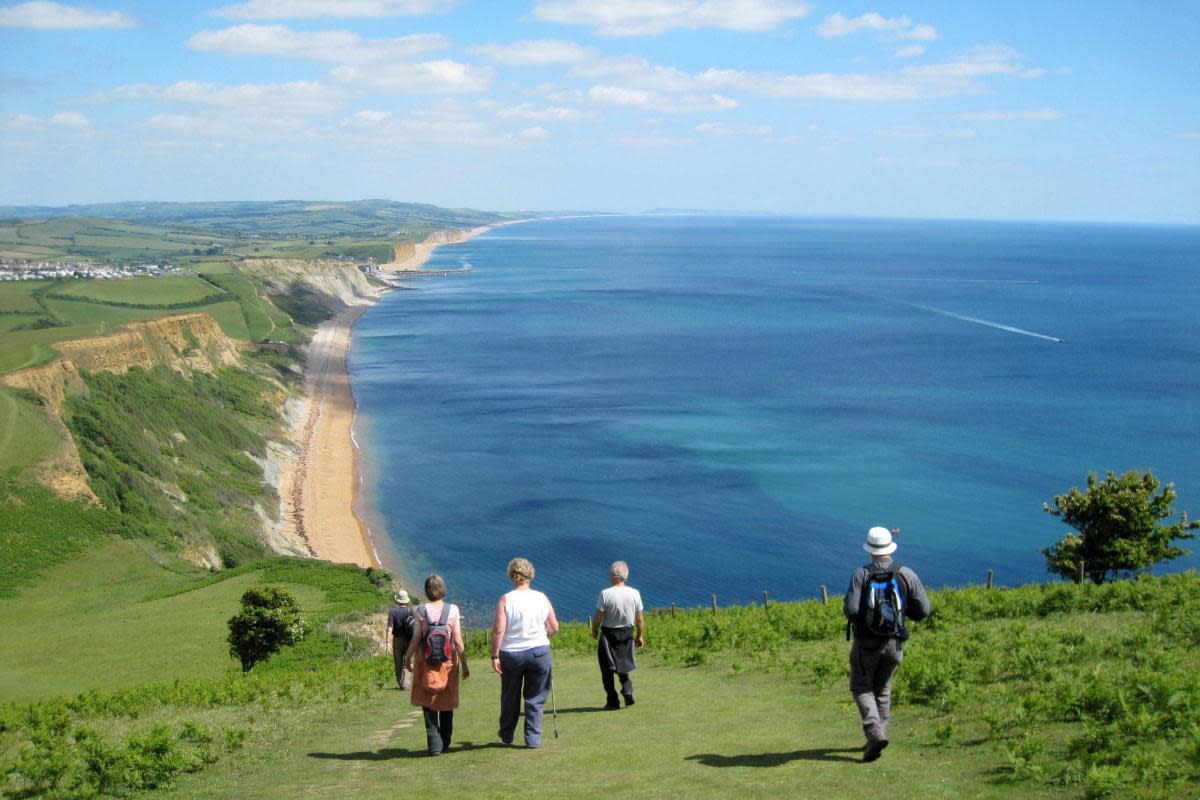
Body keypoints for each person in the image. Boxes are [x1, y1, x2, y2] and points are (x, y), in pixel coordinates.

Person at [843, 526, 931, 762]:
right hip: (894, 643)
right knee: (882, 688)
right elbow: (924, 611)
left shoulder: (861, 574)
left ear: (870, 550)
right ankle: (878, 734)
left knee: (861, 687)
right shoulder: (907, 574)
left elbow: (851, 610)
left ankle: (874, 733)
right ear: (890, 547)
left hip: (866, 644)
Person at [491, 557, 559, 748]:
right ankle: (533, 738)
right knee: (536, 698)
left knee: (510, 696)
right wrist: (541, 637)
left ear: (512, 576)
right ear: (530, 575)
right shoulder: (541, 597)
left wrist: (494, 655)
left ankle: (506, 734)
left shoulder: (506, 599)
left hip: (512, 653)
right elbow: (554, 627)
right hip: (539, 651)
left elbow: (498, 631)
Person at [404, 574, 469, 756]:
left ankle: (434, 745)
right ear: (442, 588)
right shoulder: (453, 610)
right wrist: (464, 664)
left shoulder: (421, 610)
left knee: (428, 702)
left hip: (426, 661)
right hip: (447, 662)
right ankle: (446, 742)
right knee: (447, 703)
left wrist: (407, 657)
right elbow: (457, 640)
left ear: (426, 591)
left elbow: (417, 637)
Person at [591, 560, 645, 709]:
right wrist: (640, 635)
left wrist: (594, 630)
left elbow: (598, 617)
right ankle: (627, 689)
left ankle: (612, 701)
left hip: (608, 634)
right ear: (625, 576)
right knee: (623, 665)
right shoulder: (635, 593)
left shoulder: (605, 594)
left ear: (613, 575)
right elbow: (639, 618)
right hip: (627, 632)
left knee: (606, 669)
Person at [385, 590, 415, 690]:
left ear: (397, 601)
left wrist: (387, 641)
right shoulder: (411, 610)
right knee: (408, 660)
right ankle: (406, 684)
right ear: (406, 601)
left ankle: (401, 684)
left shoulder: (393, 612)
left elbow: (389, 628)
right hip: (409, 640)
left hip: (397, 640)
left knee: (398, 662)